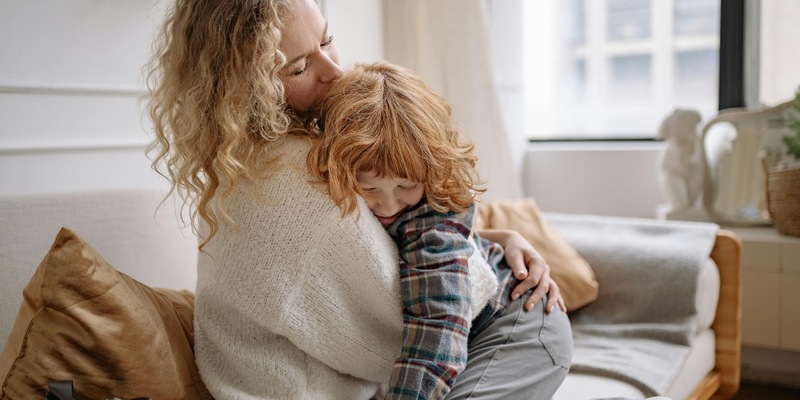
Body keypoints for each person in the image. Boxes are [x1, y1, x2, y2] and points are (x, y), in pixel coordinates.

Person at [145, 0, 570, 398]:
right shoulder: (287, 174)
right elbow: (396, 320)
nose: (334, 70)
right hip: (486, 317)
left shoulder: (266, 155)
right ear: (244, 86)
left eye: (327, 40)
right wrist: (486, 243)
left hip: (514, 314)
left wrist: (493, 237)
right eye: (298, 68)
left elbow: (434, 309)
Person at [307, 61, 572, 400]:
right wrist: (505, 236)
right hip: (484, 333)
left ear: (430, 171)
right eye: (369, 189)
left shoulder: (434, 227)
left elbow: (437, 334)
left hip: (521, 325)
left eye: (406, 186)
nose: (388, 206)